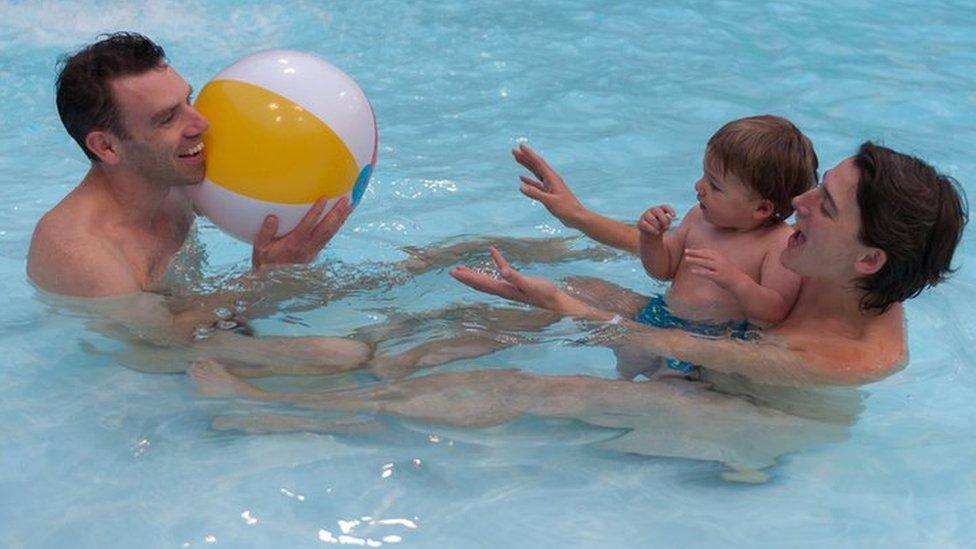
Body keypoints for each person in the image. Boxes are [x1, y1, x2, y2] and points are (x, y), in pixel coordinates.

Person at [190, 142, 966, 475]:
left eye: (822, 204)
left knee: (539, 388)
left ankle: (287, 416)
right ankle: (361, 356)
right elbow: (694, 280)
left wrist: (562, 303)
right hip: (707, 354)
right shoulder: (830, 268)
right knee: (558, 294)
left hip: (756, 414)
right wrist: (573, 230)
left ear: (869, 259)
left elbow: (703, 354)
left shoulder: (843, 355)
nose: (797, 202)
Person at [25, 32, 369, 373]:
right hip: (138, 373)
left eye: (188, 100)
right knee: (347, 355)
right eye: (167, 118)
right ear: (106, 147)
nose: (201, 123)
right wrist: (265, 277)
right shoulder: (82, 252)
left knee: (407, 315)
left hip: (201, 331)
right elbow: (156, 346)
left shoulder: (175, 180)